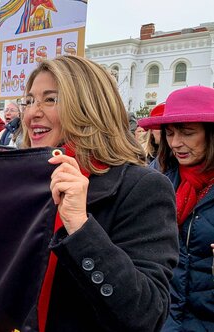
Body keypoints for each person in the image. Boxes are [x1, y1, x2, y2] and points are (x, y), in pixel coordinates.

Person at [21, 55, 178, 331]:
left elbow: (147, 314)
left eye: (50, 100)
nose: (33, 112)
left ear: (88, 107)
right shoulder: (26, 182)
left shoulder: (143, 187)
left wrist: (80, 227)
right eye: (30, 100)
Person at [138, 86, 214, 331]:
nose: (176, 143)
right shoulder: (156, 179)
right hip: (162, 318)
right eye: (169, 134)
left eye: (188, 133)